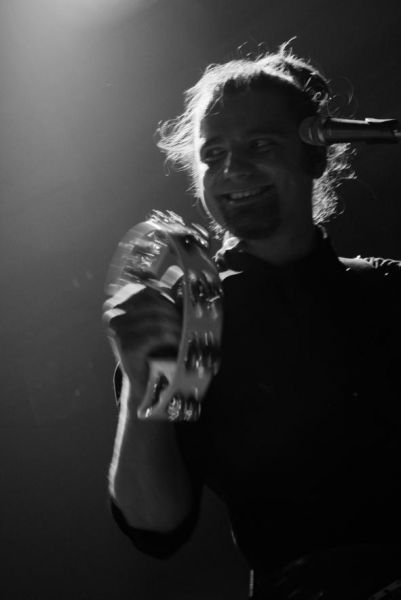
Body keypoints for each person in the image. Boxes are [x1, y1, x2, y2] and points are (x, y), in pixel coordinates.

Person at [103, 42, 401, 599]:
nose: (232, 169)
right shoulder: (194, 329)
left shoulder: (387, 288)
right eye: (212, 153)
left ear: (316, 153)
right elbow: (157, 527)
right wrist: (142, 386)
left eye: (259, 144)